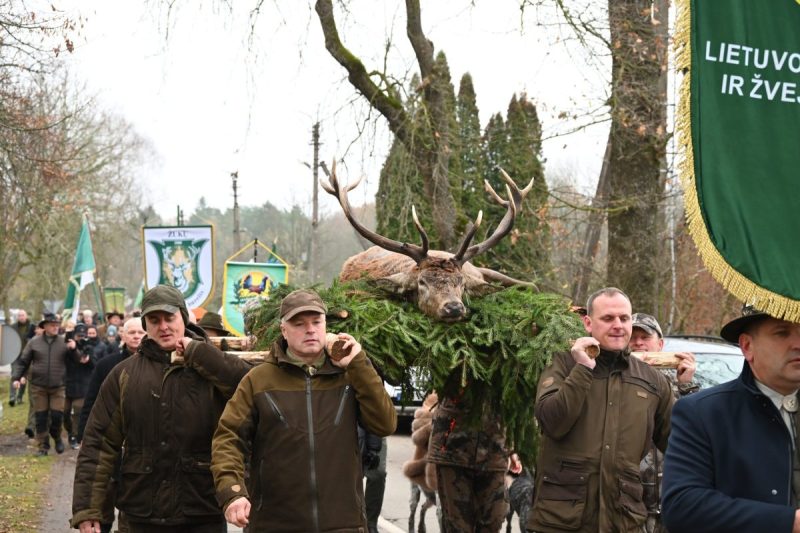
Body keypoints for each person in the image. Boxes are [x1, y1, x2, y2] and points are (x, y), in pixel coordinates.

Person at [211, 288, 397, 531]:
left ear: (325, 326)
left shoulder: (350, 375)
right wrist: (232, 492)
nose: (310, 329)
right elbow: (228, 438)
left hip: (342, 524)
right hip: (275, 525)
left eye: (316, 322)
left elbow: (385, 424)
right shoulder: (258, 380)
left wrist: (358, 363)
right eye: (299, 323)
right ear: (283, 330)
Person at [71, 285, 253, 533]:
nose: (163, 326)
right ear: (146, 325)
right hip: (140, 514)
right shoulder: (124, 375)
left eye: (170, 318)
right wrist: (90, 509)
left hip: (202, 511)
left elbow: (250, 388)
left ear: (184, 318)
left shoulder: (213, 366)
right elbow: (98, 444)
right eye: (154, 320)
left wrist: (199, 353)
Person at [528, 287, 675, 532]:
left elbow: (680, 443)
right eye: (608, 318)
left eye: (624, 318)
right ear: (588, 323)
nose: (618, 325)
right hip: (561, 522)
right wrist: (583, 368)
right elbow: (552, 422)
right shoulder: (563, 363)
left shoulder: (652, 381)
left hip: (623, 521)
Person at [661, 307, 800, 532]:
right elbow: (683, 505)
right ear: (747, 346)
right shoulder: (702, 412)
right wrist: (788, 522)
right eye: (782, 333)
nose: (797, 344)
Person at [629, 312, 698, 533]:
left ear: (660, 344)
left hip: (674, 510)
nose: (638, 343)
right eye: (632, 336)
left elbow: (697, 435)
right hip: (630, 511)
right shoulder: (613, 387)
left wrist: (687, 386)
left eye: (645, 337)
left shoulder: (679, 385)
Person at [11, 312, 82, 456]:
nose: (56, 327)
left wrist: (74, 348)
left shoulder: (64, 342)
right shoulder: (34, 342)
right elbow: (23, 361)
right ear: (45, 327)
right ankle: (43, 446)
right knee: (41, 417)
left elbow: (77, 361)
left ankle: (56, 437)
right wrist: (16, 378)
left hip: (58, 387)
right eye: (52, 325)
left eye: (57, 325)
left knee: (57, 416)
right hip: (38, 386)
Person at [64, 324, 96, 450]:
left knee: (78, 411)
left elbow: (93, 364)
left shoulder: (89, 347)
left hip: (83, 385)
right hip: (67, 383)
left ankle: (75, 436)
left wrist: (88, 359)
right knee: (64, 412)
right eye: (78, 335)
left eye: (83, 335)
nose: (81, 338)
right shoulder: (68, 346)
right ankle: (70, 431)